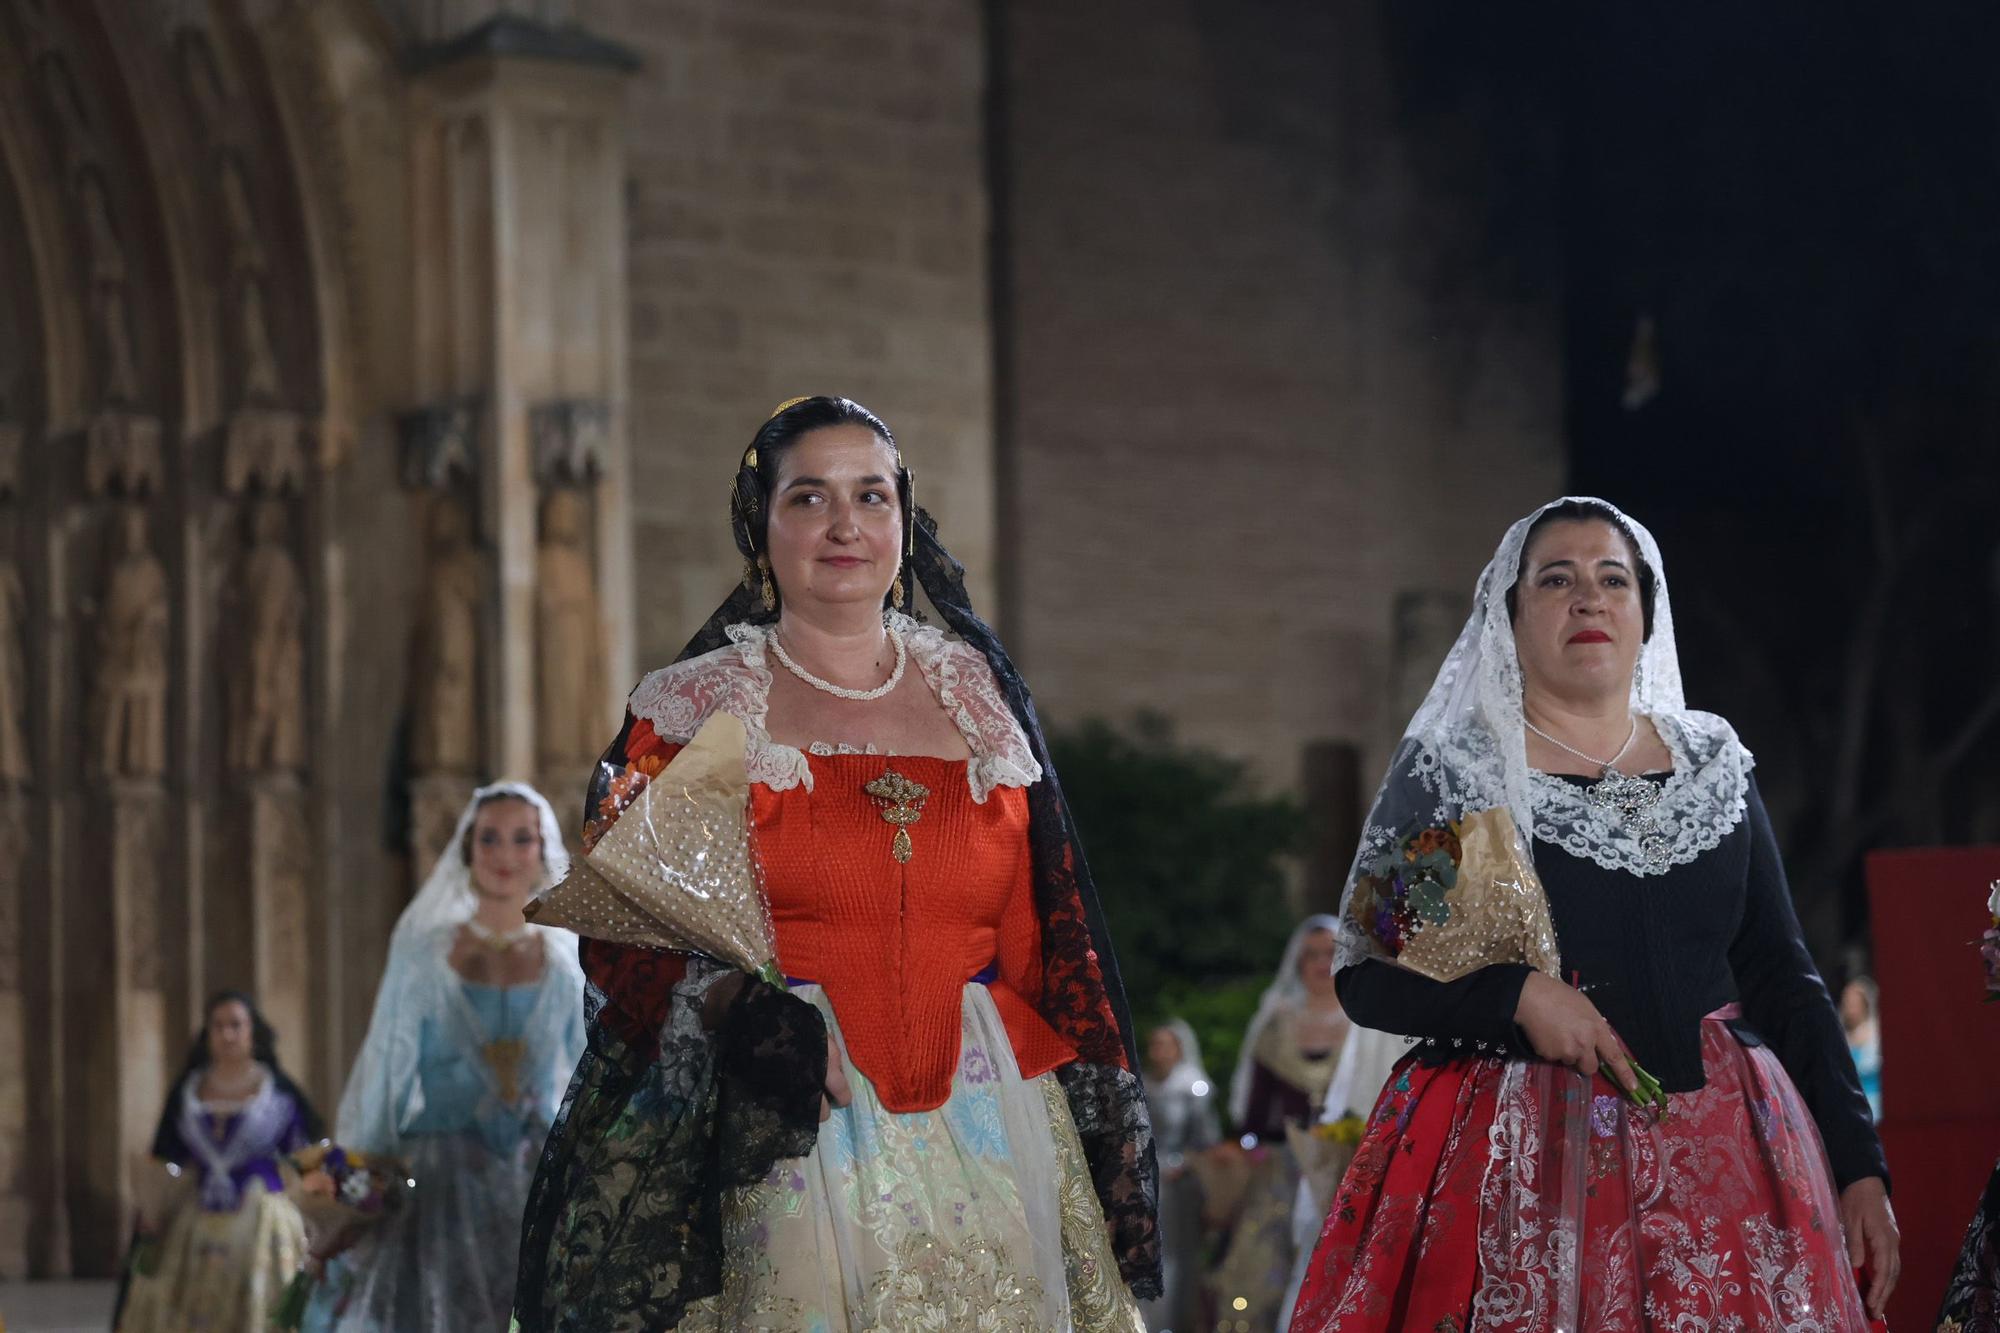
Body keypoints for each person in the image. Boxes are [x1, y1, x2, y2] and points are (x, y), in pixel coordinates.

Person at [516, 395, 1160, 1331]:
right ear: (761, 523)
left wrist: (1084, 1131)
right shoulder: (699, 706)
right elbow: (627, 926)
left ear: (905, 518)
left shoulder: (975, 695)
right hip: (784, 1116)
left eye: (872, 496)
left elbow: (1038, 930)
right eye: (809, 498)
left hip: (993, 1112)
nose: (846, 525)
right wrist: (734, 1009)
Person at [1292, 497, 1898, 1331]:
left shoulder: (1713, 761)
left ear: (1646, 613)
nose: (1589, 598)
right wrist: (1515, 997)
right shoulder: (1457, 777)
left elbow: (1782, 973)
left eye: (1614, 578)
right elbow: (1366, 975)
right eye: (1557, 579)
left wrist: (1861, 1165)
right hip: (1517, 1168)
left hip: (1730, 1160)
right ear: (1510, 614)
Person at [304, 783, 584, 1330]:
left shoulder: (566, 957)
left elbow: (586, 1066)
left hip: (536, 1175)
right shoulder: (427, 952)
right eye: (490, 839)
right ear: (467, 850)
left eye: (521, 838)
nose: (505, 854)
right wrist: (359, 1175)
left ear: (543, 849)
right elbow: (389, 1063)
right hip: (442, 1177)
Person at [116, 991, 321, 1332]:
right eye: (219, 1026)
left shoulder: (277, 1093)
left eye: (236, 1025)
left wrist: (316, 1209)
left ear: (252, 1031)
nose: (227, 1034)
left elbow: (304, 1155)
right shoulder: (189, 1090)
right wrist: (153, 1209)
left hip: (262, 1221)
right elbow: (166, 1156)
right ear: (207, 1034)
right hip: (194, 1218)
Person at [1207, 916, 1349, 1331]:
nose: (1322, 964)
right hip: (1283, 1167)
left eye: (1331, 954)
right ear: (1298, 962)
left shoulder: (1366, 1026)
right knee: (1259, 1268)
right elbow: (1255, 1107)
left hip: (1349, 1166)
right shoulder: (1278, 1023)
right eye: (1313, 955)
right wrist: (1245, 1144)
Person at [1142, 1020, 1219, 1332]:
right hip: (1146, 1176)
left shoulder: (1192, 1086)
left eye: (1165, 1044)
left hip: (1178, 1179)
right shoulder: (1143, 1083)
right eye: (1154, 1044)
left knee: (1176, 1252)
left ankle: (1176, 1320)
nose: (1159, 1052)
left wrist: (1183, 1163)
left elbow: (1205, 1138)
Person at [1841, 975, 1884, 1120]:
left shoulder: (1877, 1034)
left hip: (1876, 1104)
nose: (1850, 1008)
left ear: (1864, 1004)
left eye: (1854, 1003)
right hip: (1852, 1107)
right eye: (1847, 1003)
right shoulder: (1842, 1036)